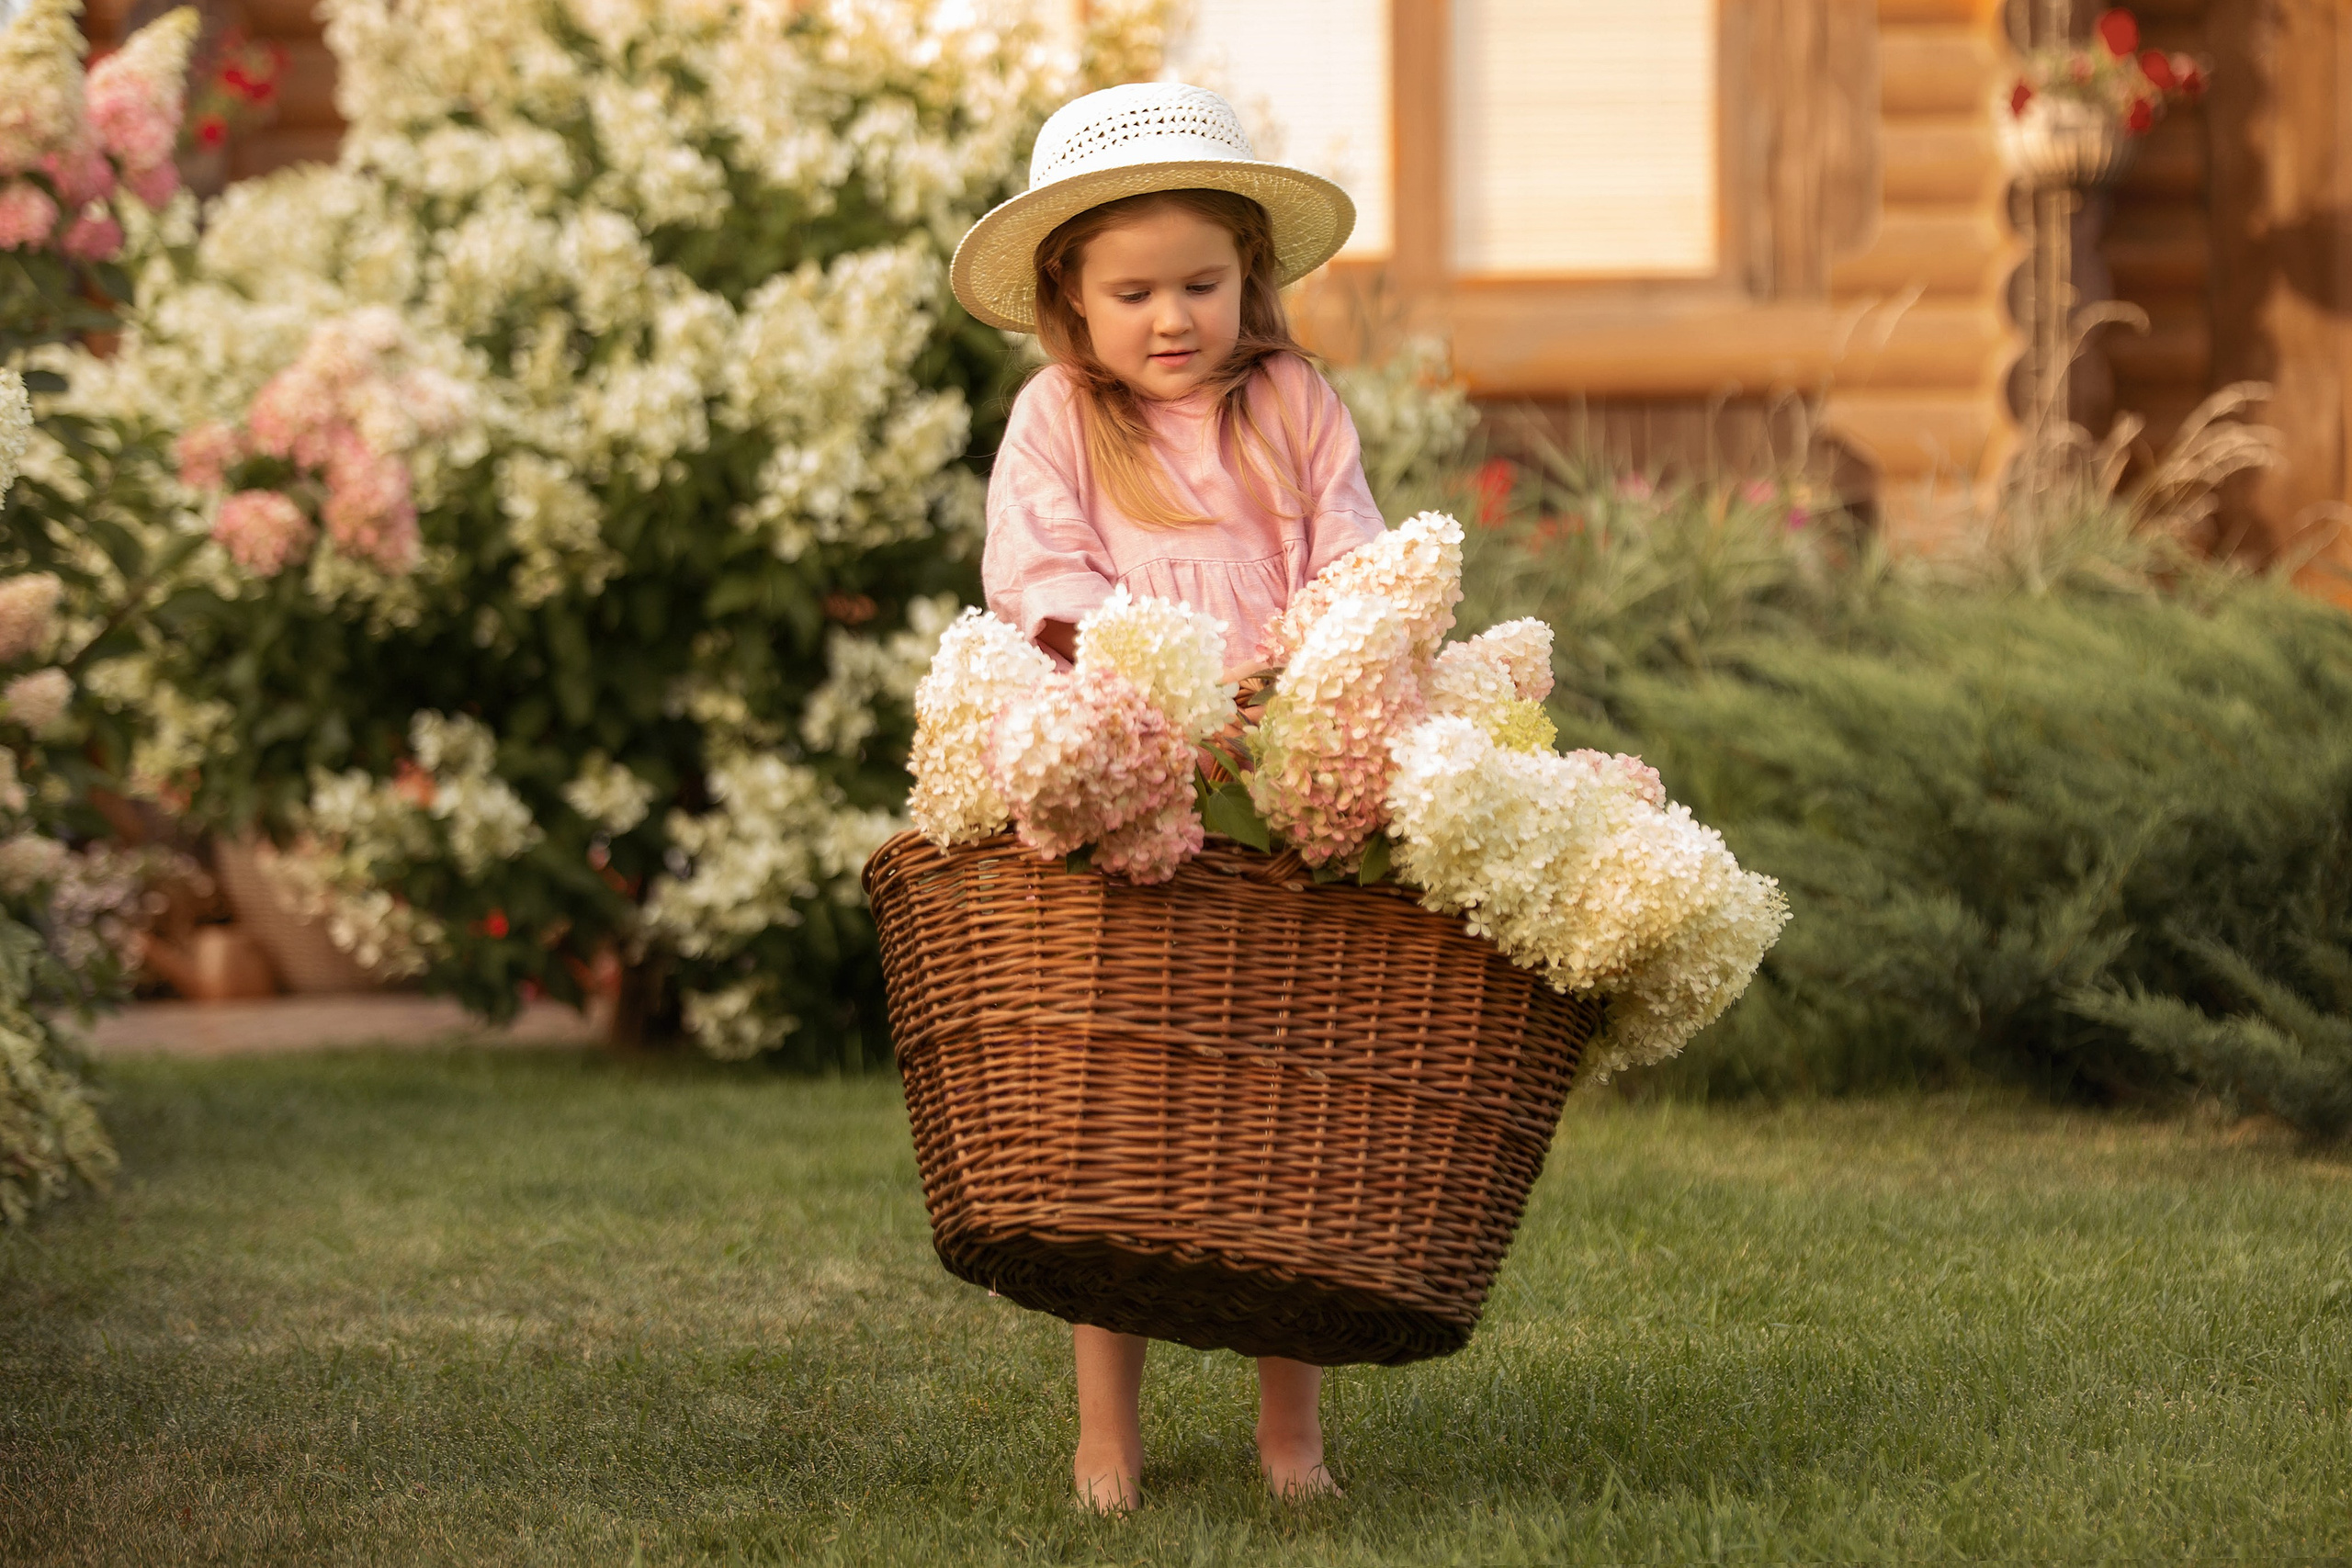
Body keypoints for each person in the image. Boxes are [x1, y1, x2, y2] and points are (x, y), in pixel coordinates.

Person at [948, 81, 1387, 1511]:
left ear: (1249, 277)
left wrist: (1309, 686)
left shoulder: (1294, 405)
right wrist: (1147, 695)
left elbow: (1356, 563)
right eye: (1132, 292)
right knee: (1118, 1126)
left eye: (1200, 283)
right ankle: (1103, 1435)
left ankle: (1291, 1438)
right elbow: (1041, 578)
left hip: (1276, 785)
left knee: (1284, 1122)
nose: (1171, 318)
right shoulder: (1060, 420)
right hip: (1137, 792)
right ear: (1070, 300)